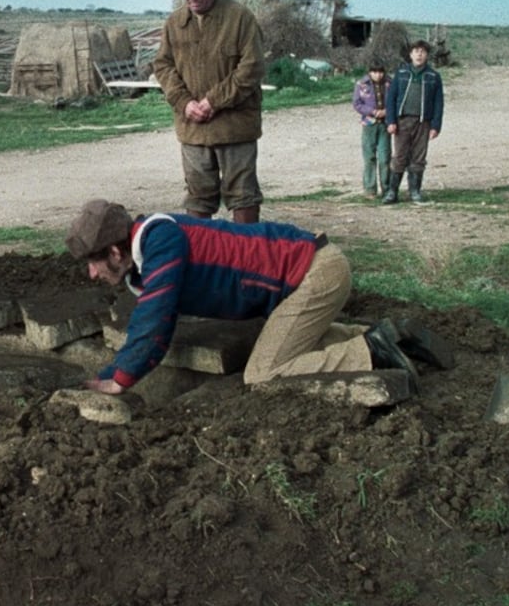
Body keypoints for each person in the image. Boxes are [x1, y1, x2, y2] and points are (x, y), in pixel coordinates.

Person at [66, 199, 450, 393]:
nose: (92, 274)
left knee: (263, 373)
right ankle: (386, 334)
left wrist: (120, 380)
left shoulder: (159, 240)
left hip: (315, 274)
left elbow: (153, 321)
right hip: (309, 272)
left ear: (115, 252)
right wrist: (107, 375)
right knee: (289, 343)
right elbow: (154, 325)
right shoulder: (147, 256)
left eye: (93, 263)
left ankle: (373, 352)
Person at [151, 0, 266, 223]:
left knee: (243, 195)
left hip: (235, 127)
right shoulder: (174, 24)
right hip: (193, 129)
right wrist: (183, 102)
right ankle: (204, 258)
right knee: (198, 197)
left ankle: (246, 256)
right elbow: (163, 66)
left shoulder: (240, 18)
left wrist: (214, 101)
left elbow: (252, 68)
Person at [383, 39, 446, 204]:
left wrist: (436, 125)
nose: (419, 54)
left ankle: (415, 192)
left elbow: (439, 102)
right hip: (402, 121)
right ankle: (392, 192)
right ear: (410, 54)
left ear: (427, 55)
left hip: (423, 122)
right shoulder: (401, 73)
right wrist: (391, 121)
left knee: (418, 157)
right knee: (400, 156)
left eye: (423, 52)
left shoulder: (433, 76)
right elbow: (391, 98)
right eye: (416, 51)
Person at [352, 62, 392, 197]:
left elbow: (396, 100)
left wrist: (387, 111)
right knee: (369, 157)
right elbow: (357, 104)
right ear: (370, 72)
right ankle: (370, 189)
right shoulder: (361, 84)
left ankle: (387, 188)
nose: (378, 75)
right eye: (375, 72)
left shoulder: (390, 83)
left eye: (380, 72)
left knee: (385, 158)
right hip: (369, 124)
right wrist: (373, 112)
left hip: (385, 124)